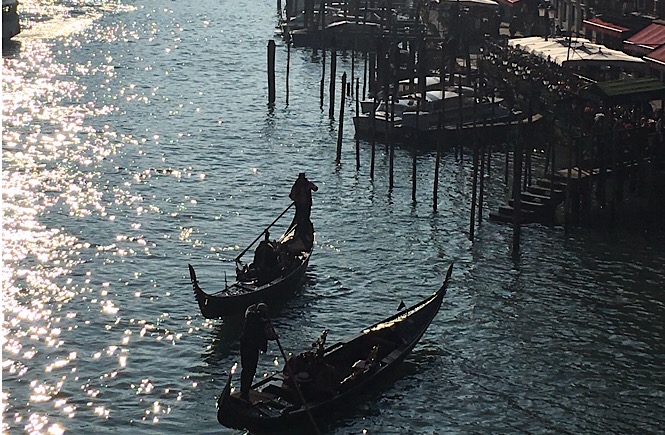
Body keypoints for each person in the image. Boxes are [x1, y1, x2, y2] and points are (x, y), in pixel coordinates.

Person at [239, 303, 277, 401]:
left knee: (245, 370)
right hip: (252, 348)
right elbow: (270, 335)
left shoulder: (249, 316)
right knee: (251, 370)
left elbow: (248, 309)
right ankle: (245, 394)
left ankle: (243, 391)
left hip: (244, 346)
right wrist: (276, 336)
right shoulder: (263, 322)